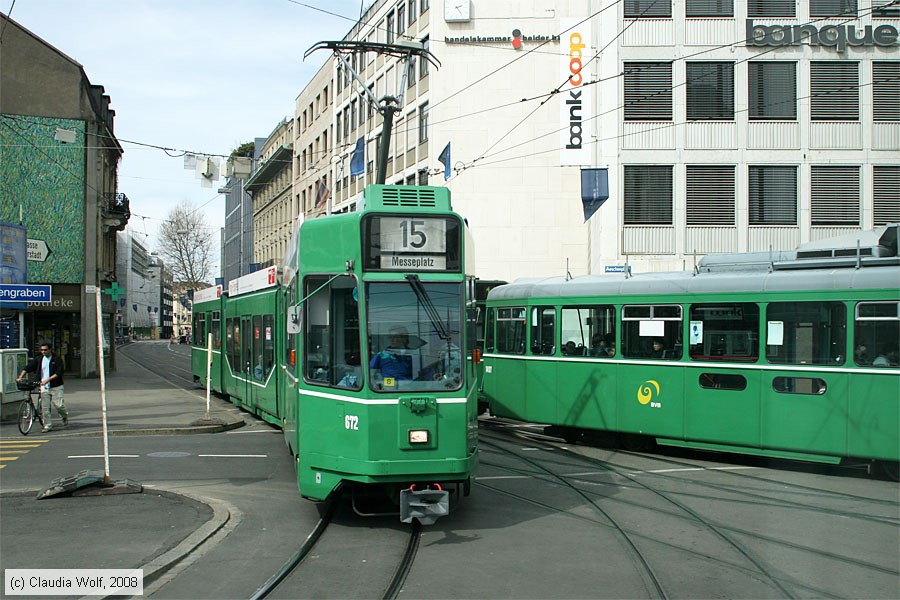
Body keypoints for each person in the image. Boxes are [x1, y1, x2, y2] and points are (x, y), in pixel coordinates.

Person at [17, 342, 68, 432]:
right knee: (45, 408)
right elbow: (28, 368)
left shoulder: (56, 359)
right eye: (41, 350)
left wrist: (48, 380)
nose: (43, 352)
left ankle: (64, 416)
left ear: (50, 349)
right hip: (44, 386)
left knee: (59, 405)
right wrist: (20, 377)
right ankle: (47, 425)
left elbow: (59, 372)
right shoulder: (39, 359)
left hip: (56, 386)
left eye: (45, 350)